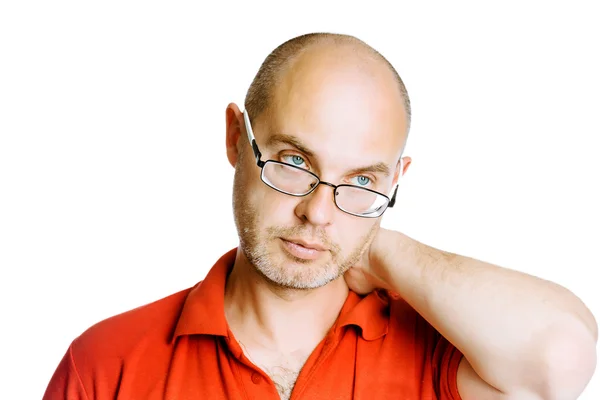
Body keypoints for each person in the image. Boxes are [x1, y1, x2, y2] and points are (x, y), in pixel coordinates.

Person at [43, 32, 597, 400]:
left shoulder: (438, 352)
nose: (318, 212)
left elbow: (562, 358)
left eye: (361, 180)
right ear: (236, 137)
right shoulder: (106, 365)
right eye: (293, 161)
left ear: (396, 180)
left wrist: (375, 246)